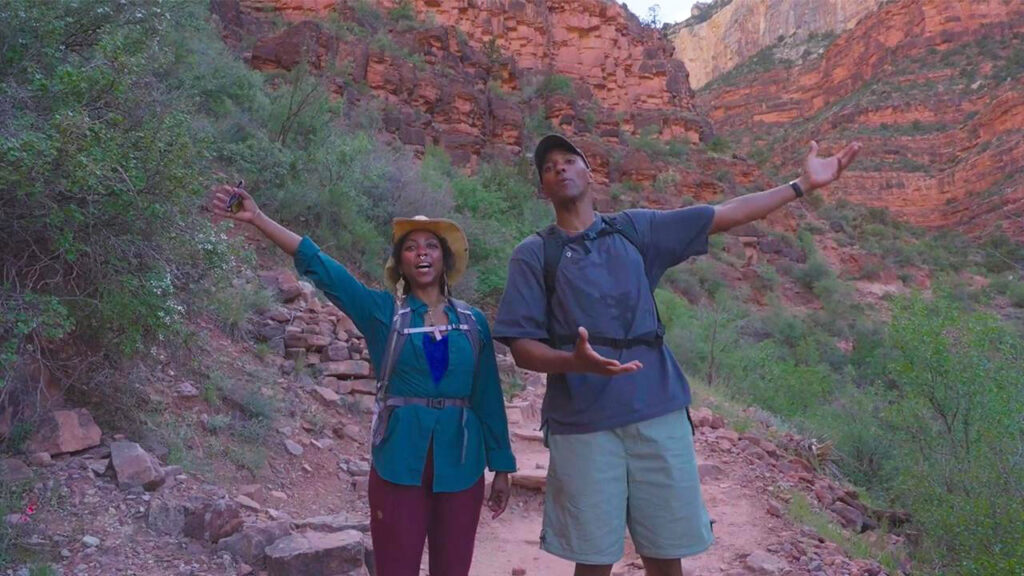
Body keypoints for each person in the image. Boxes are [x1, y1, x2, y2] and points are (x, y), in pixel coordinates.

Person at [493, 134, 861, 576]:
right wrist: (574, 362)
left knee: (666, 553)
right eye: (549, 167)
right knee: (592, 559)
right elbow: (521, 348)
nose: (560, 169)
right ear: (542, 187)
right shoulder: (534, 254)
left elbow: (725, 214)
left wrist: (800, 185)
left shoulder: (636, 229)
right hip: (581, 424)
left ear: (590, 174)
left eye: (570, 160)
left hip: (656, 409)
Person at [208, 186, 517, 576]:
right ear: (400, 264)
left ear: (445, 257)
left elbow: (488, 396)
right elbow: (323, 267)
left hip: (462, 460)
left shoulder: (474, 324)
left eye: (431, 246)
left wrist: (502, 467)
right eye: (410, 247)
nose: (421, 252)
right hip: (399, 460)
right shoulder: (383, 313)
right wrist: (258, 218)